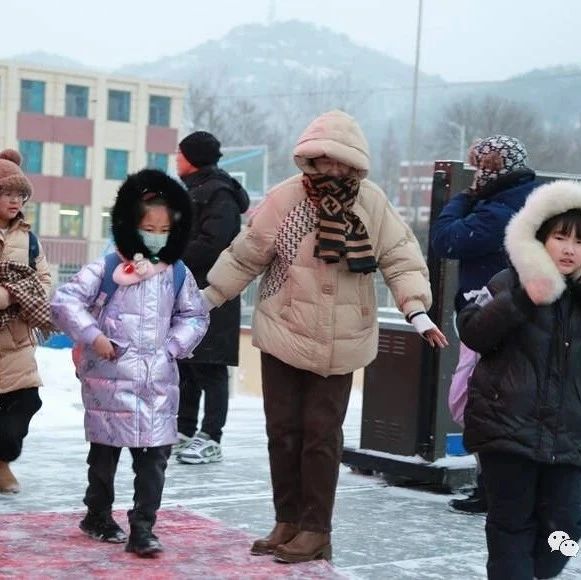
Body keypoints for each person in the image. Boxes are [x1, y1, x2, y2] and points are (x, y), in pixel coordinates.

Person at [200, 110, 447, 563]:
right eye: (323, 159)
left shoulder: (372, 203)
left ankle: (317, 529)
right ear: (308, 159)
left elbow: (401, 257)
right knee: (283, 432)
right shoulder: (286, 198)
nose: (332, 169)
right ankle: (288, 521)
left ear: (356, 164)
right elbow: (247, 254)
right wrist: (206, 299)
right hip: (284, 330)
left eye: (341, 161)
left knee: (321, 434)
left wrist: (417, 310)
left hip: (343, 337)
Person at [51, 169, 209, 556]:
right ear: (130, 226)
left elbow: (195, 316)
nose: (156, 234)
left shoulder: (177, 273)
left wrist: (173, 347)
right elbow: (64, 301)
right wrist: (95, 337)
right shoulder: (106, 268)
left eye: (163, 228)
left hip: (157, 383)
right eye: (147, 226)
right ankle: (98, 514)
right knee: (105, 455)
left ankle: (143, 528)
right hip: (108, 382)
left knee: (154, 460)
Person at [458, 180, 581, 580]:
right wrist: (526, 297)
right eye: (560, 237)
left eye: (579, 242)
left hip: (569, 441)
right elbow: (473, 330)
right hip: (508, 432)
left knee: (565, 533)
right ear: (539, 238)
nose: (568, 249)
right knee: (511, 527)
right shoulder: (506, 283)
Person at [431, 135, 538, 515]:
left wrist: (460, 198)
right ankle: (491, 487)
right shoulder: (524, 197)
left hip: (491, 318)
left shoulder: (501, 208)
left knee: (473, 402)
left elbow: (447, 240)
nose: (477, 175)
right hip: (506, 316)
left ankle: (494, 489)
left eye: (482, 168)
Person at [174, 131, 249, 465]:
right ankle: (184, 430)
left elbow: (212, 243)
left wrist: (171, 255)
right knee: (186, 363)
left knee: (211, 365)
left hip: (215, 290)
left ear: (195, 158)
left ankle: (211, 436)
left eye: (181, 154)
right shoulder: (194, 190)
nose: (176, 159)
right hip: (187, 288)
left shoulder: (219, 194)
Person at [0, 148, 52, 494]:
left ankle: (2, 460)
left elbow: (45, 282)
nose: (14, 201)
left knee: (26, 403)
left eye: (20, 194)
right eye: (6, 193)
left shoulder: (28, 239)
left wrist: (15, 293)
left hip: (17, 340)